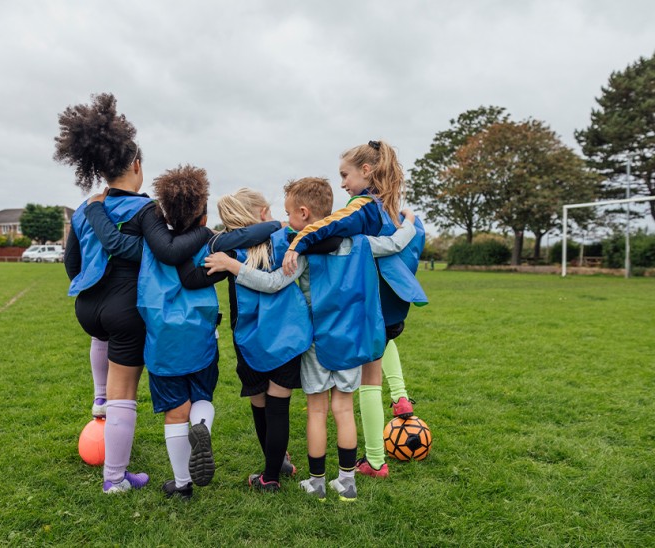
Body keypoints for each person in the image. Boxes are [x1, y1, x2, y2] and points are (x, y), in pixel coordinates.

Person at [206, 177, 415, 501]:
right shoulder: (360, 243)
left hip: (317, 342)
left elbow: (273, 283)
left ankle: (317, 482)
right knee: (344, 410)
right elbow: (396, 244)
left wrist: (235, 267)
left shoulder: (300, 250)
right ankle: (347, 483)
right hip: (351, 342)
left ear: (303, 213)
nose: (286, 220)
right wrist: (410, 223)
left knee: (317, 412)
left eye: (289, 213)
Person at [56, 93, 213, 494]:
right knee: (123, 394)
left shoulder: (85, 206)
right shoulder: (145, 209)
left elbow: (71, 262)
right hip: (126, 308)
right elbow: (165, 252)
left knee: (104, 364)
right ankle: (115, 479)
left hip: (88, 307)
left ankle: (97, 400)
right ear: (137, 165)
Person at [84, 185, 280, 499]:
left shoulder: (148, 245)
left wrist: (94, 209)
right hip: (201, 335)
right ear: (202, 216)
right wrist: (273, 224)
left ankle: (182, 484)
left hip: (163, 339)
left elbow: (116, 242)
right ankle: (201, 424)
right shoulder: (209, 240)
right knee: (201, 396)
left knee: (175, 411)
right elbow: (239, 238)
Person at [281, 140, 428, 479]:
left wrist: (298, 241)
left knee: (368, 383)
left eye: (345, 175)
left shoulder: (362, 204)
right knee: (377, 365)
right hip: (392, 310)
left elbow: (332, 226)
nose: (343, 183)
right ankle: (399, 401)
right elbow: (405, 247)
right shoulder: (394, 209)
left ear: (366, 171)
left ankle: (375, 460)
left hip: (365, 308)